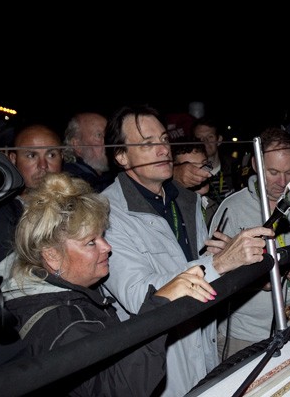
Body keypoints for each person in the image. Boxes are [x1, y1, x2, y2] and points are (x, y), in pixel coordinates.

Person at [0, 172, 216, 395]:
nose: (107, 247)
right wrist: (160, 305)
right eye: (90, 243)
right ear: (52, 255)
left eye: (102, 236)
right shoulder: (62, 323)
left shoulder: (37, 291)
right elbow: (121, 389)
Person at [100, 104, 273, 397]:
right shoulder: (105, 214)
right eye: (147, 143)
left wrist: (219, 256)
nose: (163, 150)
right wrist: (219, 262)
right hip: (157, 362)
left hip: (202, 342)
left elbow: (200, 267)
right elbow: (140, 296)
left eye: (164, 139)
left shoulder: (187, 201)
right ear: (121, 156)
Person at [212, 126, 290, 361]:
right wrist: (256, 280)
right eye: (273, 172)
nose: (282, 181)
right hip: (244, 335)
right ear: (255, 165)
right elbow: (213, 278)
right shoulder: (231, 209)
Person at [0, 124, 62, 273]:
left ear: (62, 157)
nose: (43, 166)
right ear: (13, 159)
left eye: (51, 155)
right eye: (31, 155)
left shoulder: (78, 206)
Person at [171, 136, 220, 229]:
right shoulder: (172, 212)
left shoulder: (212, 206)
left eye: (204, 164)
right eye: (192, 167)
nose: (204, 172)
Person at [62, 112, 115, 192]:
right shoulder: (72, 186)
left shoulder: (105, 179)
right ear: (77, 145)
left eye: (108, 135)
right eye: (99, 135)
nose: (108, 141)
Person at [191, 117, 237, 203]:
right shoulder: (192, 173)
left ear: (219, 140)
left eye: (210, 137)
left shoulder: (235, 167)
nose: (205, 141)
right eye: (199, 138)